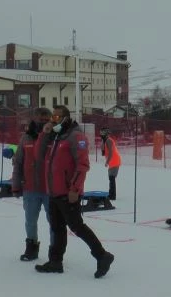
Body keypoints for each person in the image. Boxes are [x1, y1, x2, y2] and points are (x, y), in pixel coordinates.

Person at [35, 105, 114, 278]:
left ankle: (102, 255)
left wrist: (75, 189)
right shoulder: (56, 136)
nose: (53, 120)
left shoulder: (76, 136)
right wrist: (44, 133)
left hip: (68, 192)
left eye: (57, 117)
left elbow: (83, 165)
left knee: (77, 226)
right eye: (52, 117)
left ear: (66, 118)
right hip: (53, 191)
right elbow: (39, 156)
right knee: (57, 228)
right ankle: (55, 261)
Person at [12, 108, 53, 262]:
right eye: (39, 117)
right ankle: (31, 248)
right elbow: (18, 162)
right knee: (30, 221)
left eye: (45, 117)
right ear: (34, 118)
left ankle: (54, 252)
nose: (42, 120)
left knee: (53, 222)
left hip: (51, 189)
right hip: (30, 188)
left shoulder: (55, 136)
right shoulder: (26, 138)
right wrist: (16, 184)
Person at [100, 128, 122, 200]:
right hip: (112, 162)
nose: (101, 134)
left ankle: (112, 196)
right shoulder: (105, 141)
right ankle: (111, 194)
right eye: (101, 133)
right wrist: (102, 144)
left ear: (106, 134)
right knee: (111, 178)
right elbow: (103, 153)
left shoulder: (109, 140)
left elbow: (111, 153)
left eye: (103, 133)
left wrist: (107, 162)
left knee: (111, 178)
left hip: (114, 161)